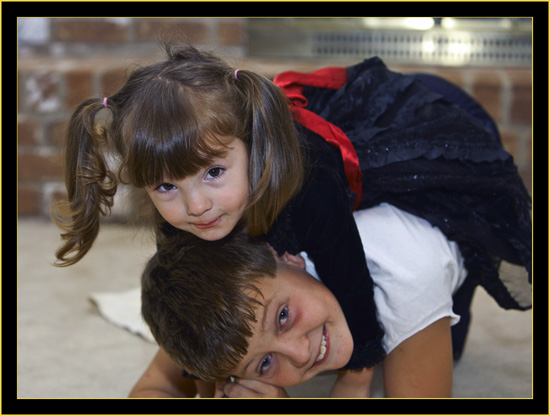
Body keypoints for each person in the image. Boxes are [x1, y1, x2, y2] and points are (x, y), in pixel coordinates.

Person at [53, 41, 531, 390]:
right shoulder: (190, 212)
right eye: (165, 187)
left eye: (214, 172)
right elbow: (197, 308)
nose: (196, 206)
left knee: (442, 307)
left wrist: (357, 375)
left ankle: (450, 295)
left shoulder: (310, 182)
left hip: (418, 126)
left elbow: (348, 274)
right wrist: (212, 382)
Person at [136, 203, 470, 397]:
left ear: (287, 255)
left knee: (434, 349)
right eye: (264, 364)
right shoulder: (235, 302)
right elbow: (151, 389)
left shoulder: (405, 273)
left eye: (283, 316)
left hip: (436, 184)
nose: (300, 353)